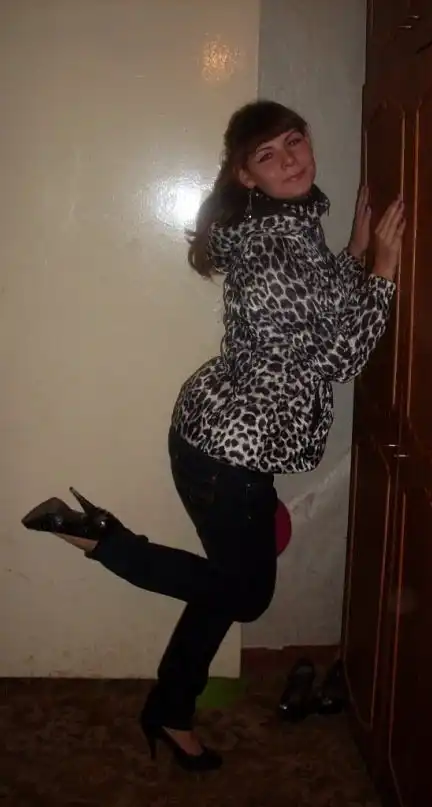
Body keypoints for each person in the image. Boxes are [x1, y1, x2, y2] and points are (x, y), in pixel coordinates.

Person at [21, 100, 405, 771]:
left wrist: (351, 253)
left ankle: (169, 711)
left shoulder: (286, 223)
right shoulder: (272, 244)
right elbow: (338, 357)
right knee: (246, 594)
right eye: (268, 154)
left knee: (223, 587)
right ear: (246, 175)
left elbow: (313, 313)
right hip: (228, 454)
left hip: (221, 441)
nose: (290, 159)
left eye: (294, 141)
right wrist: (383, 271)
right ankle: (103, 539)